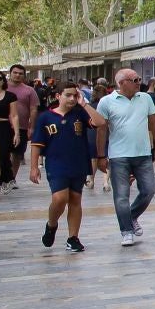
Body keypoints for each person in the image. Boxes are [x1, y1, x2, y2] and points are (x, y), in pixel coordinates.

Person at [30, 84, 101, 252]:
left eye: (74, 95)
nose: (71, 99)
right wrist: (34, 167)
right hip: (56, 163)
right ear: (58, 96)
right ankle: (52, 224)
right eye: (68, 95)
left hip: (78, 162)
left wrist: (84, 104)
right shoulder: (46, 117)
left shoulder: (80, 114)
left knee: (75, 200)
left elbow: (100, 122)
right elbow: (36, 144)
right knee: (60, 198)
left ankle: (73, 237)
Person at [95, 69, 155, 247]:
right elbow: (101, 130)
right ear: (122, 82)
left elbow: (154, 123)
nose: (139, 82)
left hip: (143, 153)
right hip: (119, 155)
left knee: (149, 190)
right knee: (121, 195)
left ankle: (131, 216)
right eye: (135, 79)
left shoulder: (146, 98)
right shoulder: (106, 102)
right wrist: (101, 155)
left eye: (140, 79)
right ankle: (126, 230)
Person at [6, 64, 41, 186]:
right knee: (2, 153)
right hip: (3, 126)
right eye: (15, 72)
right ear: (10, 73)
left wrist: (32, 127)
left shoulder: (29, 90)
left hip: (22, 127)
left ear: (24, 76)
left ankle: (11, 179)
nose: (17, 75)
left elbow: (33, 109)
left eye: (20, 73)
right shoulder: (2, 87)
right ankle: (1, 177)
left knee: (17, 154)